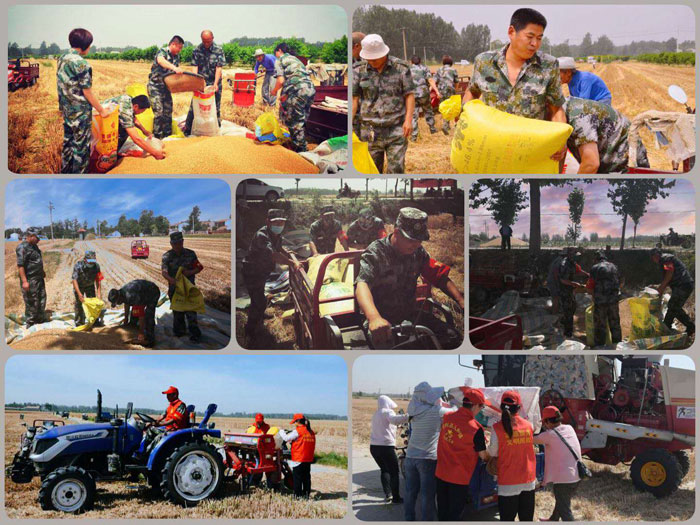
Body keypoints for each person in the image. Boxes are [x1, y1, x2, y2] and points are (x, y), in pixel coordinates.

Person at [464, 8, 567, 162]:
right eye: (530, 37)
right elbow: (472, 92)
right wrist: (465, 118)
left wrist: (561, 140)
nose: (535, 44)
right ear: (512, 32)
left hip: (531, 150)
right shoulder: (484, 62)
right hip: (491, 148)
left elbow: (556, 108)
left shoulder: (548, 65)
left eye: (539, 38)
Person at [355, 208, 464, 349]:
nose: (416, 244)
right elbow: (362, 285)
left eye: (420, 240)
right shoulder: (376, 253)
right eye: (411, 239)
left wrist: (461, 301)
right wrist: (374, 318)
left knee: (452, 337)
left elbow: (439, 277)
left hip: (410, 314)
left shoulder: (418, 252)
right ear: (396, 232)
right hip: (381, 319)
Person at [352, 34, 415, 173]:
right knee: (372, 170)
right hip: (370, 131)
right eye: (369, 59)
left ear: (384, 53)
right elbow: (354, 99)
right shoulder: (358, 70)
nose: (372, 62)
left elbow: (409, 95)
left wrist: (408, 120)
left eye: (375, 58)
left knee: (396, 169)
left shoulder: (401, 68)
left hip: (396, 127)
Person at [241, 209, 302, 344]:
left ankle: (259, 316)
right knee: (258, 301)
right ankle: (250, 332)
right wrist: (293, 263)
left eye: (282, 222)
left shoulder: (275, 234)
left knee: (259, 297)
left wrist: (288, 252)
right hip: (252, 272)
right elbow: (274, 255)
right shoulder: (262, 235)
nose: (280, 225)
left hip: (262, 272)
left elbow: (279, 248)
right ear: (268, 222)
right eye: (276, 222)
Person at [57, 28, 110, 173]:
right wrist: (102, 110)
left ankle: (65, 173)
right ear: (86, 45)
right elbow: (87, 92)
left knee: (68, 143)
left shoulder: (62, 58)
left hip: (67, 110)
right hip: (80, 113)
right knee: (81, 148)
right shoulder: (81, 64)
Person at [403, 382, 456, 521]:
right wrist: (451, 402)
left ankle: (409, 518)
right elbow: (455, 411)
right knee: (427, 495)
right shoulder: (435, 411)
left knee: (410, 492)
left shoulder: (414, 411)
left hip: (410, 457)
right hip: (427, 459)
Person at [435, 387, 490, 521]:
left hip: (441, 473)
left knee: (442, 510)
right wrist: (491, 458)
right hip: (458, 478)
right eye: (481, 406)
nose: (481, 410)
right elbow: (483, 455)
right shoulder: (475, 428)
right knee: (455, 513)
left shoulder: (447, 418)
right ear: (475, 405)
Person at [563, 96, 649, 173]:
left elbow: (591, 164)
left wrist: (574, 189)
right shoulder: (558, 112)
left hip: (623, 163)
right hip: (604, 161)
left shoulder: (578, 117)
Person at [488, 390, 536, 521]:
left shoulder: (496, 428)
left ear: (501, 408)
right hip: (528, 480)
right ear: (519, 408)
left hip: (508, 482)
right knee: (526, 519)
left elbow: (492, 452)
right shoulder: (529, 426)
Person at [533, 406, 581, 521]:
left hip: (564, 480)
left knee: (565, 511)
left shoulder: (549, 435)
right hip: (577, 475)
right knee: (562, 501)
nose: (544, 426)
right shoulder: (569, 428)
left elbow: (529, 439)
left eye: (544, 422)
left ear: (548, 421)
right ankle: (553, 520)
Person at [270, 43, 316, 153]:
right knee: (302, 120)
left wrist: (274, 91)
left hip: (298, 91)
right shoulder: (295, 59)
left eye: (275, 53)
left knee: (294, 122)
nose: (275, 55)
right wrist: (285, 95)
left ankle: (301, 153)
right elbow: (294, 78)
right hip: (310, 89)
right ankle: (301, 143)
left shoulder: (280, 60)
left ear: (279, 50)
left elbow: (281, 81)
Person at [161, 231, 203, 343]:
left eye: (179, 243)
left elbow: (199, 267)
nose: (177, 246)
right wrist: (172, 280)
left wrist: (190, 272)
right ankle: (180, 331)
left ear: (182, 241)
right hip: (175, 290)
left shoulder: (191, 254)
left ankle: (195, 334)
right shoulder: (167, 256)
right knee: (177, 312)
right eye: (174, 244)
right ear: (171, 243)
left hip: (189, 289)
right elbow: (164, 272)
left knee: (191, 312)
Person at [184, 30, 225, 135]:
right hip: (202, 82)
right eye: (204, 41)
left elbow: (218, 68)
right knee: (195, 105)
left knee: (215, 105)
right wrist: (196, 83)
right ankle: (188, 128)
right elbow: (194, 67)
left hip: (214, 83)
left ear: (212, 38)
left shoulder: (218, 50)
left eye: (208, 41)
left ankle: (215, 129)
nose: (206, 43)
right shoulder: (197, 50)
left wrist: (215, 84)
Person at [99, 94, 165, 159]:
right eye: (141, 111)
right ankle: (112, 154)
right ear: (136, 106)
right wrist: (155, 153)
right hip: (98, 125)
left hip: (103, 120)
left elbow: (133, 118)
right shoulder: (125, 110)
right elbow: (136, 139)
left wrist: (144, 131)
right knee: (125, 130)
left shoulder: (129, 99)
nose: (140, 113)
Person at [370, 395, 408, 504]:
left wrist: (398, 427)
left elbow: (387, 426)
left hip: (374, 448)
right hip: (386, 447)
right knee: (394, 472)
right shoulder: (388, 412)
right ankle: (396, 498)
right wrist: (408, 416)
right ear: (387, 403)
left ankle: (388, 495)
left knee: (384, 469)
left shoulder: (376, 414)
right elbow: (395, 420)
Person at [651, 248, 695, 335]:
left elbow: (669, 273)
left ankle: (687, 326)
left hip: (683, 285)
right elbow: (668, 278)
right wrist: (659, 287)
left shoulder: (665, 259)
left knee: (673, 306)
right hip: (683, 285)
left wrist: (660, 289)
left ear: (655, 256)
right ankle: (670, 326)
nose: (653, 260)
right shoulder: (664, 259)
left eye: (653, 257)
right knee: (674, 307)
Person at [148, 35, 184, 139]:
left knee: (168, 112)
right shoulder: (163, 51)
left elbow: (174, 74)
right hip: (155, 87)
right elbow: (161, 61)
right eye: (179, 48)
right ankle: (157, 138)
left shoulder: (176, 56)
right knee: (159, 112)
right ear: (173, 44)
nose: (180, 50)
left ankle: (167, 136)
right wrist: (174, 67)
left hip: (166, 88)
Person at [107, 279, 161, 346]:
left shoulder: (131, 296)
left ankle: (150, 339)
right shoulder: (122, 293)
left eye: (117, 302)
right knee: (134, 312)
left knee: (148, 315)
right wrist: (126, 318)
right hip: (141, 293)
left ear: (119, 297)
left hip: (152, 292)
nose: (117, 304)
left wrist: (141, 333)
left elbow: (141, 315)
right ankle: (133, 325)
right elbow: (126, 303)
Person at [585, 250, 622, 347]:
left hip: (600, 302)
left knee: (600, 326)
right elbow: (621, 282)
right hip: (613, 301)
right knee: (615, 324)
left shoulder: (595, 268)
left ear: (596, 259)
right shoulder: (614, 267)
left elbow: (589, 287)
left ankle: (600, 348)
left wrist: (593, 295)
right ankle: (618, 346)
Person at [141, 386, 188, 454]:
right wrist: (153, 422)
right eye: (167, 395)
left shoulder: (181, 405)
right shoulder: (170, 406)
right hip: (168, 429)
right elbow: (162, 415)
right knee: (150, 430)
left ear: (175, 395)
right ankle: (142, 450)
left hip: (175, 431)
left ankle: (149, 455)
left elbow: (173, 420)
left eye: (169, 395)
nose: (167, 397)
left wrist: (161, 424)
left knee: (159, 438)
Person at [279, 414, 316, 499]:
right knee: (306, 478)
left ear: (297, 422)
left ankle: (297, 496)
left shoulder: (297, 431)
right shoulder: (311, 431)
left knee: (297, 478)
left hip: (298, 459)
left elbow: (286, 438)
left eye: (294, 422)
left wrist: (281, 431)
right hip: (308, 458)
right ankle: (306, 495)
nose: (294, 424)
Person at [15, 227, 46, 327]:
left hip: (39, 278)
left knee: (42, 298)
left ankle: (40, 320)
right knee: (31, 302)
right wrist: (24, 281)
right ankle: (30, 322)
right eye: (37, 237)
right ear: (31, 236)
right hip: (30, 280)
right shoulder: (22, 247)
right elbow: (21, 266)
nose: (39, 240)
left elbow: (36, 261)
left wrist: (42, 271)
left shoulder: (34, 246)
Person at [558, 247, 590, 338]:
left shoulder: (572, 263)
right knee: (568, 310)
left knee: (572, 307)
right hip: (564, 290)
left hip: (570, 289)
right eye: (575, 255)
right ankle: (567, 333)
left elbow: (578, 271)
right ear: (570, 255)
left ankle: (564, 321)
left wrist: (588, 275)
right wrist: (574, 284)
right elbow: (563, 280)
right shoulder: (564, 264)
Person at [72, 250, 104, 327]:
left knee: (93, 304)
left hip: (90, 286)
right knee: (79, 304)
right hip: (79, 286)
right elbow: (74, 280)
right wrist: (79, 294)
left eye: (93, 261)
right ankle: (79, 322)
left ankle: (94, 320)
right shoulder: (78, 266)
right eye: (90, 261)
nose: (91, 263)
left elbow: (98, 280)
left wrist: (99, 294)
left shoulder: (96, 266)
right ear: (85, 260)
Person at [409, 55, 439, 140]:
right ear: (420, 61)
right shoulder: (425, 68)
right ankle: (432, 129)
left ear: (411, 62)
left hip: (412, 94)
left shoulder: (408, 70)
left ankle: (414, 136)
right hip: (424, 94)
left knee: (413, 114)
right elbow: (430, 80)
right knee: (428, 111)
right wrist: (436, 90)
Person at [434, 55, 459, 134]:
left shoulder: (439, 70)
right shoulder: (453, 70)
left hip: (441, 91)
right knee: (450, 107)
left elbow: (434, 81)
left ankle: (446, 125)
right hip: (450, 90)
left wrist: (436, 91)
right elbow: (457, 82)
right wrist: (456, 90)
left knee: (444, 107)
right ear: (451, 62)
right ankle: (448, 125)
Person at [547, 250, 567, 315]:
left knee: (555, 297)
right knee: (556, 298)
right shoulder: (561, 261)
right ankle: (554, 314)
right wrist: (558, 283)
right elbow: (556, 272)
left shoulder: (557, 259)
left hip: (551, 280)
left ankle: (554, 310)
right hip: (554, 282)